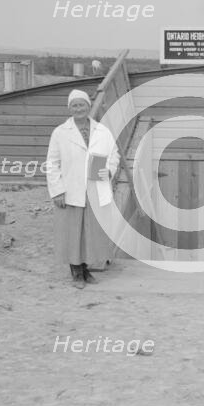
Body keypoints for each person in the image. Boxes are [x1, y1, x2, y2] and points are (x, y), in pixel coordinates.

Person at [46, 89, 120, 288]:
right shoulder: (60, 132)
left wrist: (109, 171)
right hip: (71, 190)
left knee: (90, 232)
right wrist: (57, 191)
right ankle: (76, 272)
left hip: (94, 189)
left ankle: (86, 269)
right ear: (69, 108)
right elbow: (52, 163)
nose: (78, 109)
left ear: (88, 106)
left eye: (82, 105)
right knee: (73, 232)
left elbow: (114, 154)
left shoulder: (102, 131)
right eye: (74, 105)